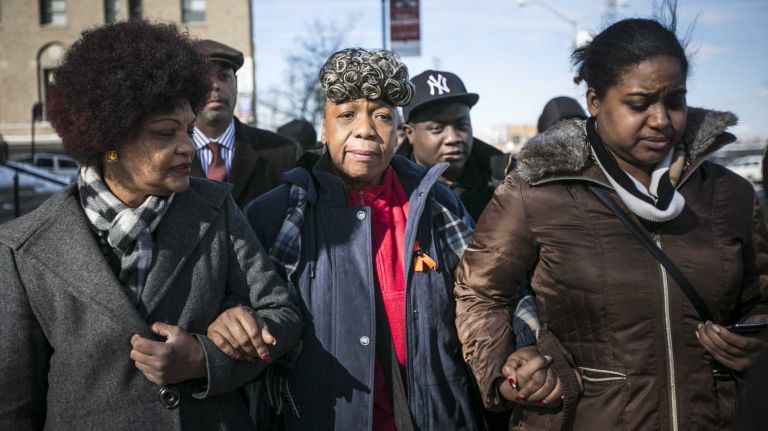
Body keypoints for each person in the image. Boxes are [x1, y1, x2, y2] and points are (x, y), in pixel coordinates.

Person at [454, 9, 768, 431]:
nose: (661, 119)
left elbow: (758, 298)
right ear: (595, 102)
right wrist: (505, 370)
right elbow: (479, 292)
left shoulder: (731, 194)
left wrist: (758, 344)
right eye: (639, 104)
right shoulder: (536, 190)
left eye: (675, 101)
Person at [0, 21, 302, 430]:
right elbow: (14, 408)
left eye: (189, 130)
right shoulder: (25, 247)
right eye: (165, 133)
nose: (187, 146)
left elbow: (283, 315)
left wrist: (204, 358)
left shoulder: (216, 210)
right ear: (109, 139)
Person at [208, 47, 483, 430]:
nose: (366, 129)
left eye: (382, 116)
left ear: (398, 132)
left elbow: (485, 298)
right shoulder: (275, 216)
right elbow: (236, 307)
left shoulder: (439, 206)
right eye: (347, 114)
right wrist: (230, 317)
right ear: (324, 128)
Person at [191, 39, 301, 207]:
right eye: (204, 78)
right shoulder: (165, 155)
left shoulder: (284, 153)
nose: (215, 85)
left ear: (236, 84)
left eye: (223, 77)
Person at [398, 70, 509, 221]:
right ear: (409, 133)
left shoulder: (507, 180)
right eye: (437, 128)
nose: (453, 138)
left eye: (462, 125)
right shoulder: (390, 190)